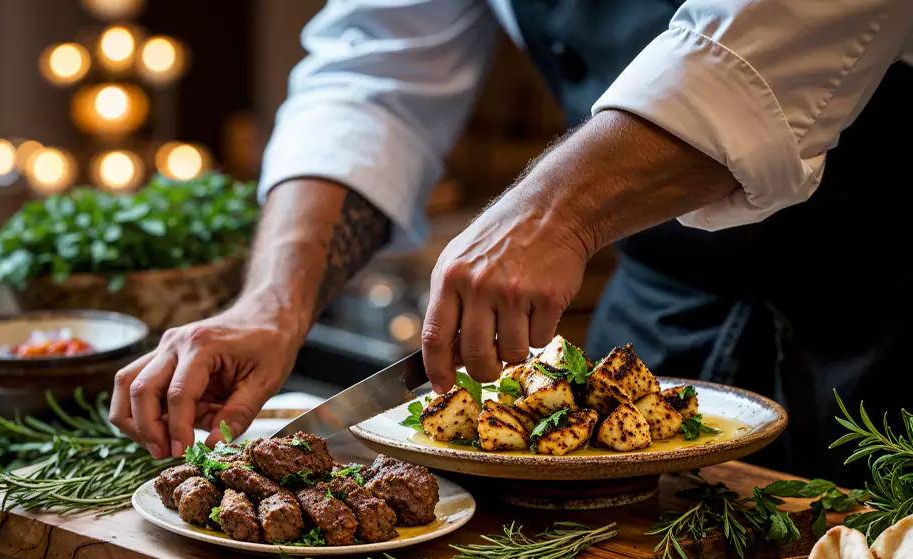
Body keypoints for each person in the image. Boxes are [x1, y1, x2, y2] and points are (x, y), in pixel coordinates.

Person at [110, 0, 913, 484]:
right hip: (664, 328)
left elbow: (779, 28)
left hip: (893, 326)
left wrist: (552, 211)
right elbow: (375, 74)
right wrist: (275, 302)